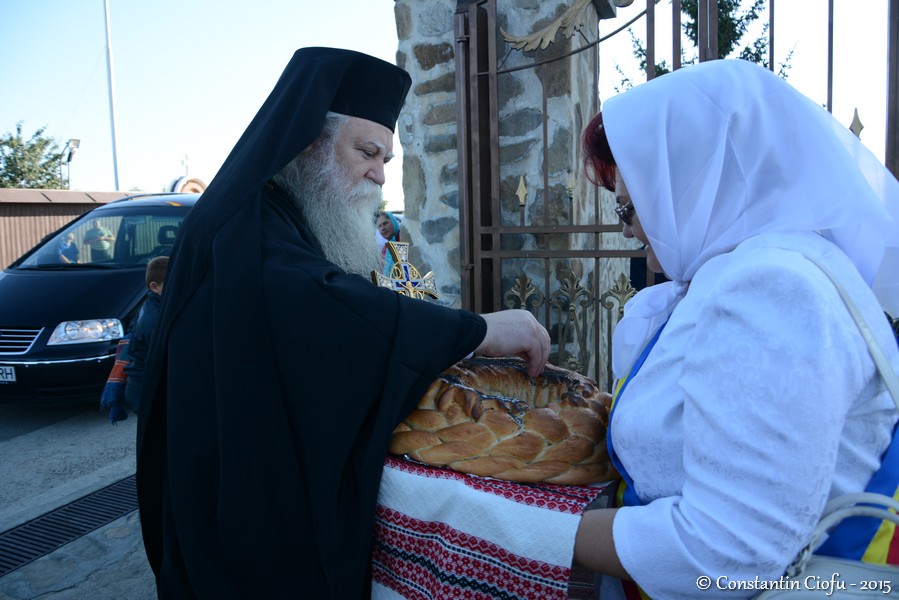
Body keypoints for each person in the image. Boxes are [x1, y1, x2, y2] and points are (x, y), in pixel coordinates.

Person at [135, 47, 549, 599]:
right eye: (367, 152)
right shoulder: (246, 228)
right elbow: (322, 310)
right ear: (307, 142)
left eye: (386, 160)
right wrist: (477, 331)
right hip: (237, 527)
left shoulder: (275, 214)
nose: (379, 174)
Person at [571, 59, 899, 598]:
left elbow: (724, 555)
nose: (627, 230)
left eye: (631, 208)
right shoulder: (740, 273)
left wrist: (531, 530)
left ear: (694, 184)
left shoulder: (773, 287)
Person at [123, 256, 167, 414]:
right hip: (144, 387)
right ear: (154, 287)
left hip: (141, 385)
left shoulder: (151, 306)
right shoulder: (154, 316)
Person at [376, 210, 401, 275]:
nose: (382, 228)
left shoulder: (405, 239)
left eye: (385, 223)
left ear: (393, 221)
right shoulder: (385, 249)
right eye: (379, 226)